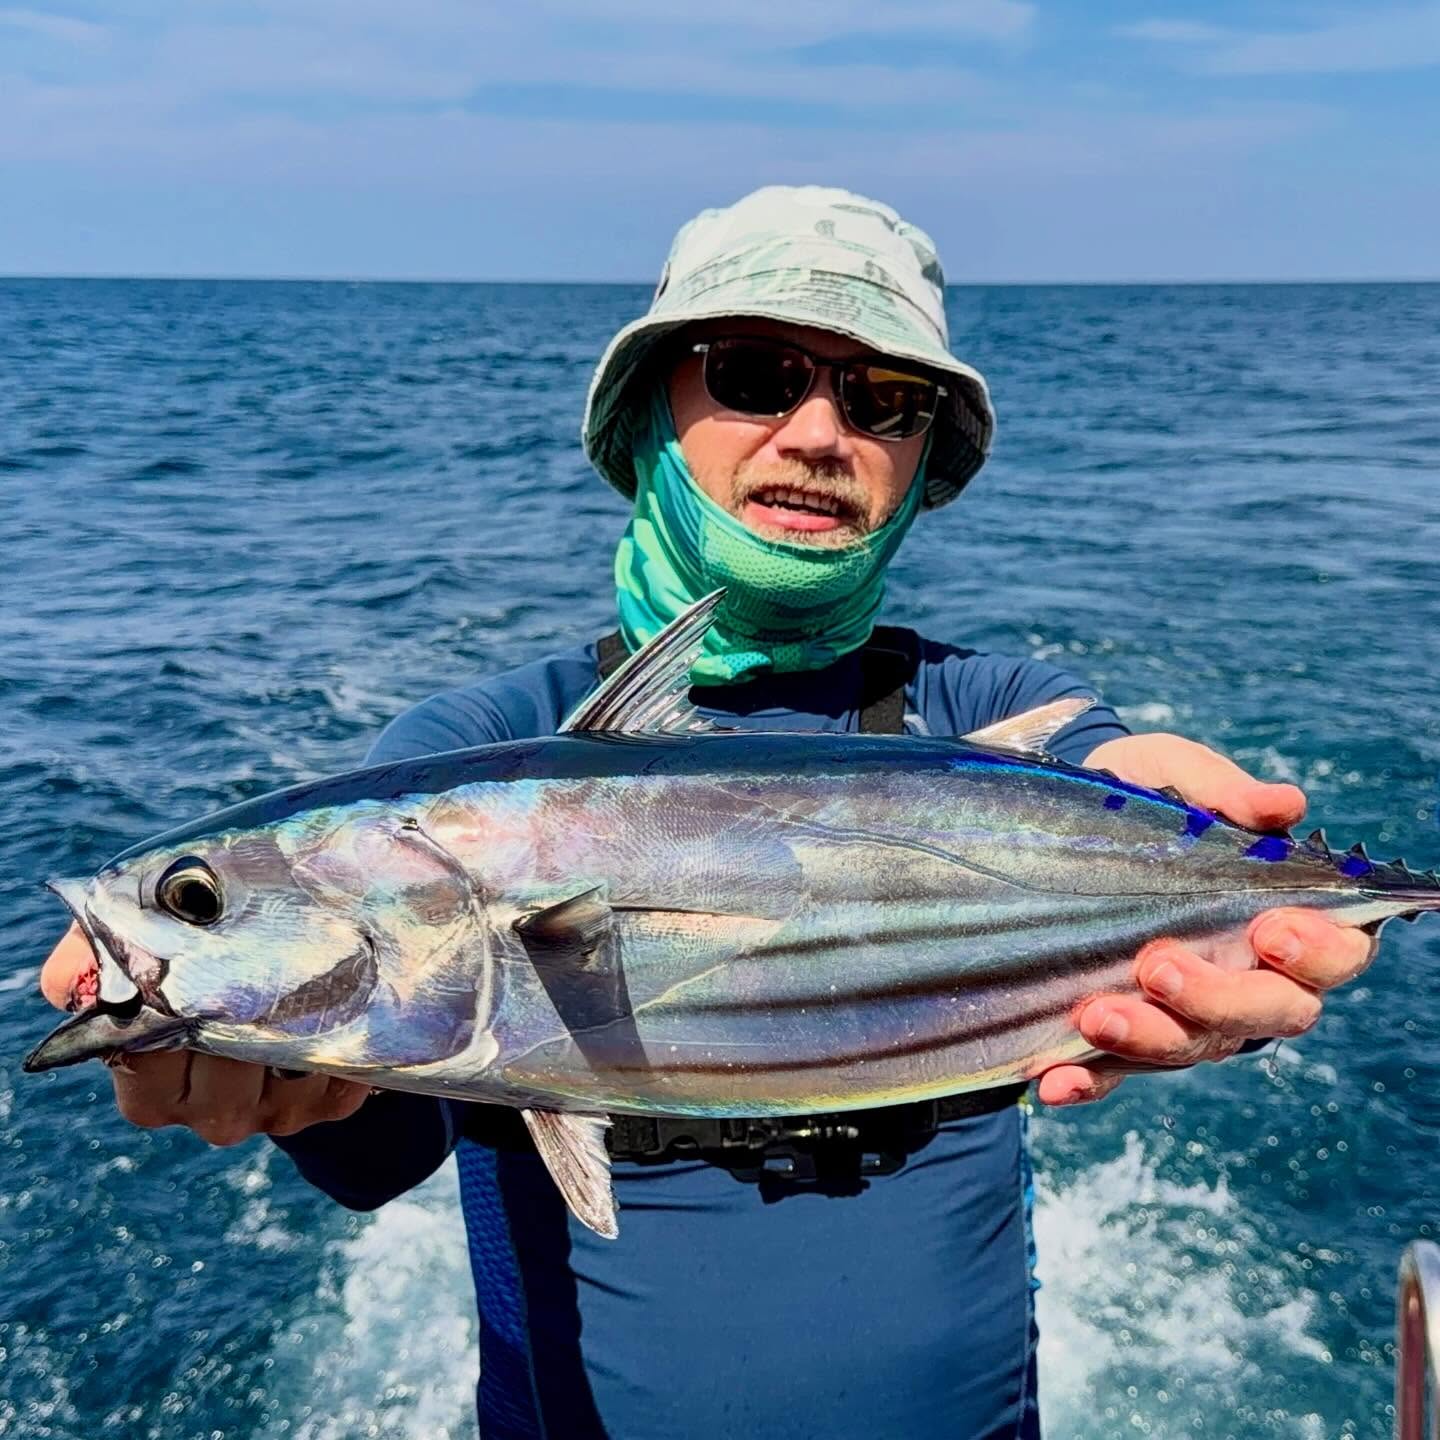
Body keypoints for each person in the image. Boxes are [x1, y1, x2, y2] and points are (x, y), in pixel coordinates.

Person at [40, 186, 1375, 1438]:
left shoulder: (992, 711)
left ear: (922, 460)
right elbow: (376, 1150)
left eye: (887, 400)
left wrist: (1236, 917)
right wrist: (280, 1083)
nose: (820, 434)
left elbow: (1116, 791)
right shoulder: (463, 758)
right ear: (644, 420)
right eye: (752, 375)